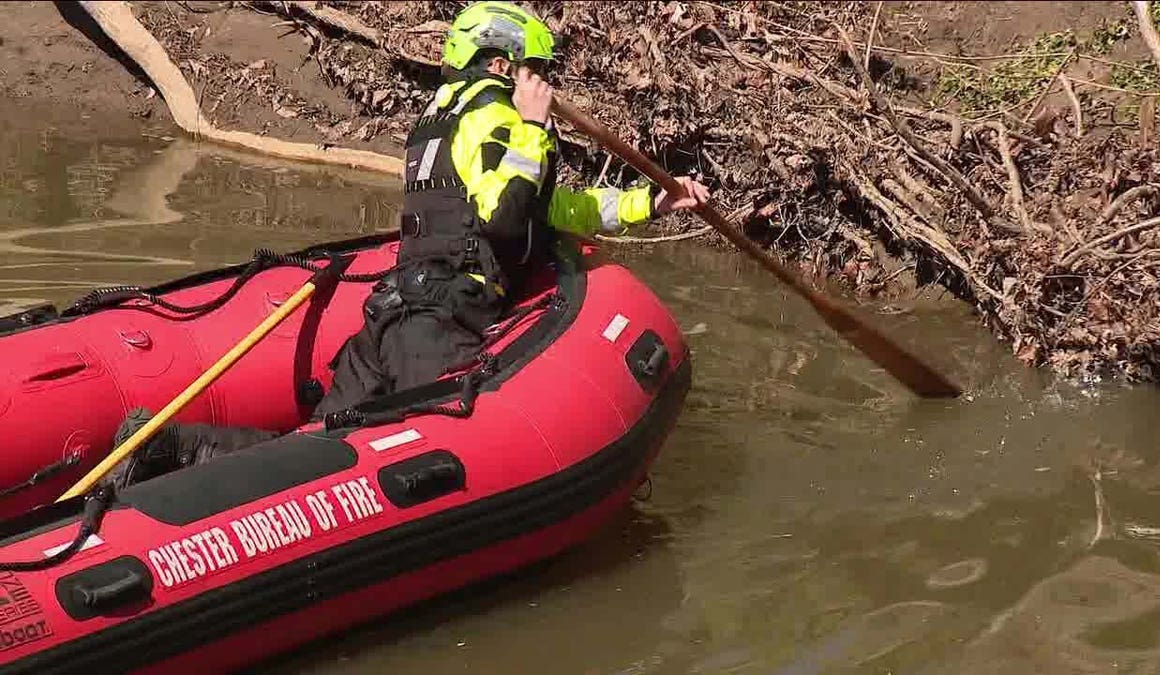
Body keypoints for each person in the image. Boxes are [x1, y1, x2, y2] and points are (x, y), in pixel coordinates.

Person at [106, 1, 709, 489]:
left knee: (313, 450)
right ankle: (177, 457)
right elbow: (506, 219)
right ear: (504, 67)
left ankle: (176, 447)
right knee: (335, 470)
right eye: (537, 71)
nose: (545, 85)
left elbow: (555, 209)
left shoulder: (440, 120)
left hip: (392, 311)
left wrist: (647, 204)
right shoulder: (499, 120)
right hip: (439, 320)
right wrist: (531, 127)